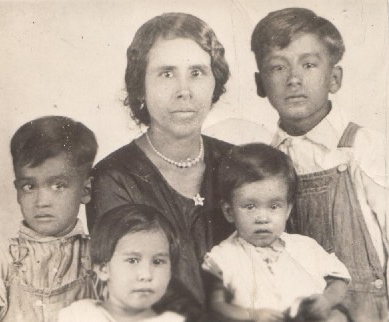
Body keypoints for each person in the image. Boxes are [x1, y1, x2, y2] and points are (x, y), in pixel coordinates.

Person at [86, 12, 234, 317]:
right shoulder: (114, 178)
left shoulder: (238, 163)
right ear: (140, 86)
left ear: (214, 82)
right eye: (167, 73)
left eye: (197, 72)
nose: (184, 90)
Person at [251, 7, 388, 322]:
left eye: (309, 65)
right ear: (260, 83)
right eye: (278, 68)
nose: (294, 79)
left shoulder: (365, 148)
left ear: (335, 78)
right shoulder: (266, 164)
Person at [203, 143, 351, 322]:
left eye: (274, 206)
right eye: (250, 207)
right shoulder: (223, 257)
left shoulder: (305, 247)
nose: (262, 218)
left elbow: (339, 280)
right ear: (229, 211)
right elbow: (216, 306)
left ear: (288, 210)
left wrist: (326, 300)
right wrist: (251, 315)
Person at [0, 116, 98, 322]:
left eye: (58, 185)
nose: (41, 201)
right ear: (17, 192)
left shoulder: (96, 257)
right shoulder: (2, 259)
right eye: (29, 186)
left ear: (85, 190)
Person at [59, 204, 185, 322]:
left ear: (170, 271)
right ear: (104, 269)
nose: (146, 275)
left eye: (158, 262)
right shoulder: (79, 316)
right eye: (132, 260)